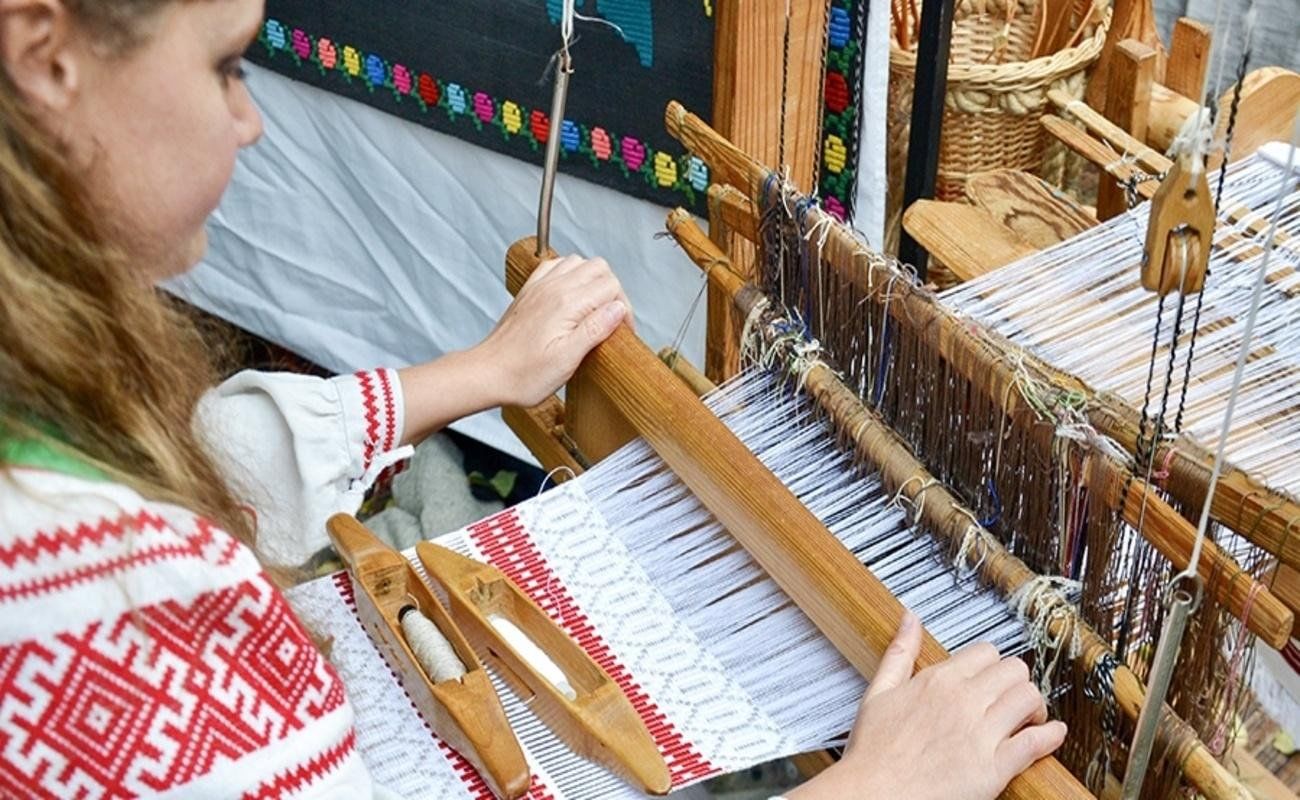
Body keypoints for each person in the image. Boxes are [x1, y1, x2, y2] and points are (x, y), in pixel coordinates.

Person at [0, 0, 1066, 797]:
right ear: (45, 57)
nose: (251, 122)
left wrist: (479, 375)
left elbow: (207, 447)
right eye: (227, 65)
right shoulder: (110, 601)